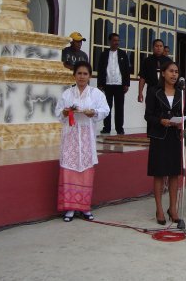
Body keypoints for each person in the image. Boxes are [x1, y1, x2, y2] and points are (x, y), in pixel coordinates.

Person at [55, 61, 109, 222]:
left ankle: (85, 208)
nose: (82, 77)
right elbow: (58, 113)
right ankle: (70, 208)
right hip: (70, 137)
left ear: (90, 76)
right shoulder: (67, 94)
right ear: (74, 75)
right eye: (79, 73)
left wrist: (93, 112)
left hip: (86, 138)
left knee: (85, 171)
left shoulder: (96, 94)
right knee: (69, 170)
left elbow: (105, 110)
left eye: (85, 74)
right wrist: (65, 112)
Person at [144, 61, 186, 225]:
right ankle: (159, 209)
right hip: (159, 136)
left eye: (176, 71)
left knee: (174, 173)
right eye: (171, 71)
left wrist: (180, 121)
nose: (174, 74)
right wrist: (160, 120)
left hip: (175, 136)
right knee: (159, 173)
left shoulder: (181, 93)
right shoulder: (154, 91)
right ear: (163, 73)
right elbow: (148, 115)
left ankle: (173, 208)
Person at [97, 33, 131, 135]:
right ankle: (106, 128)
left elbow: (126, 70)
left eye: (118, 40)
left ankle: (119, 129)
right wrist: (100, 84)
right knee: (107, 107)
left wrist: (126, 84)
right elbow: (100, 69)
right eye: (114, 40)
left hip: (120, 85)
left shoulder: (122, 54)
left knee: (119, 108)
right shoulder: (104, 54)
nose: (116, 42)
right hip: (107, 85)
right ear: (109, 42)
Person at [137, 39, 171, 103]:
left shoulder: (168, 61)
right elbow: (142, 78)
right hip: (151, 90)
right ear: (153, 48)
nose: (159, 48)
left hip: (165, 91)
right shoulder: (147, 61)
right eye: (157, 46)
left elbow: (171, 77)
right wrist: (140, 93)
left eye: (161, 46)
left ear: (163, 48)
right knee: (150, 111)